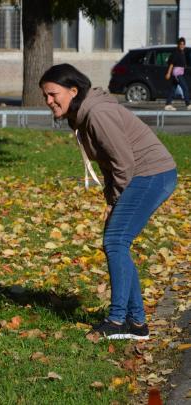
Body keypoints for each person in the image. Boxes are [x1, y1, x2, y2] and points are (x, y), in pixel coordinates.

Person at [39, 63, 177, 340]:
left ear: (74, 90)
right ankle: (136, 323)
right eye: (45, 96)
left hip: (152, 173)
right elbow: (108, 161)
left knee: (115, 241)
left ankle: (117, 320)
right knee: (118, 242)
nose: (49, 101)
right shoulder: (82, 114)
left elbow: (123, 162)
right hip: (141, 174)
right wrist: (112, 201)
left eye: (53, 94)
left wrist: (116, 201)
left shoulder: (98, 113)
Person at [165, 37, 190, 111]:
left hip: (179, 72)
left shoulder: (182, 53)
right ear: (178, 45)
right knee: (185, 88)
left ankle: (168, 104)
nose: (182, 45)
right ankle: (188, 104)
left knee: (173, 88)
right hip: (177, 73)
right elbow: (171, 64)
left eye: (183, 44)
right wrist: (168, 73)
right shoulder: (176, 53)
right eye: (180, 44)